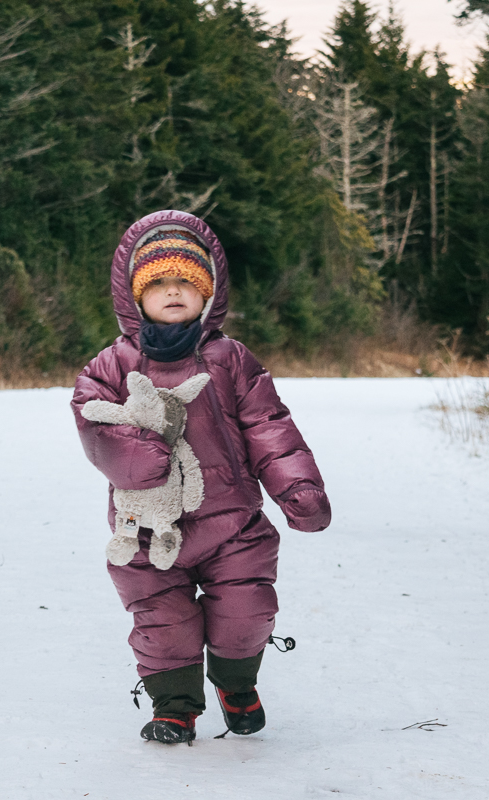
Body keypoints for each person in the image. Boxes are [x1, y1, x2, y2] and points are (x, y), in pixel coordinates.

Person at [71, 210, 332, 745]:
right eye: (159, 282)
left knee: (246, 610)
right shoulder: (112, 365)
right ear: (133, 294)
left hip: (231, 523)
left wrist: (296, 486)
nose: (173, 292)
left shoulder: (230, 359)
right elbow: (91, 420)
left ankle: (237, 685)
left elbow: (269, 425)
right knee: (162, 622)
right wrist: (134, 458)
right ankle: (174, 708)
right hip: (146, 526)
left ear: (209, 293)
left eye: (186, 281)